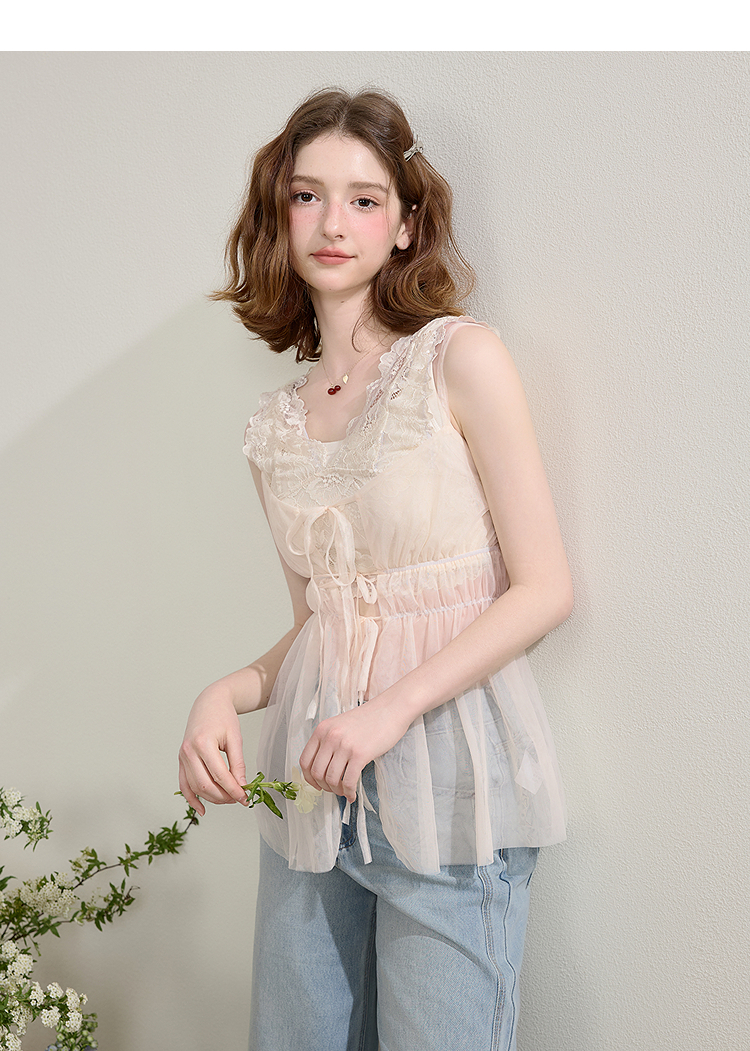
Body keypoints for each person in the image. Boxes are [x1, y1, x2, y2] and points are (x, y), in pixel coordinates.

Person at [178, 88, 572, 1051]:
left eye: (363, 199)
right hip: (315, 800)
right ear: (279, 217)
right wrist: (226, 692)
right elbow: (324, 626)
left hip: (447, 796)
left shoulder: (459, 360)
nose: (332, 222)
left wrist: (390, 710)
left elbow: (544, 588)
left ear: (404, 223)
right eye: (307, 196)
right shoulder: (275, 428)